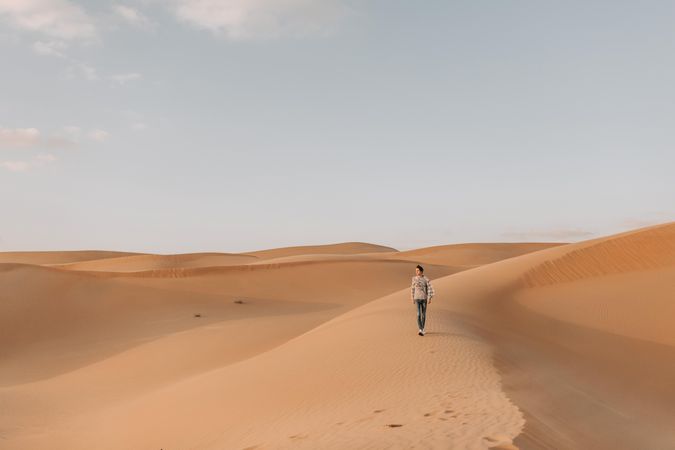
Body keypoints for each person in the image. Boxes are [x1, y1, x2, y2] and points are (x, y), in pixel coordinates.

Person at [411, 264, 434, 336]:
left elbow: (430, 289)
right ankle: (420, 329)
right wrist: (412, 297)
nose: (416, 272)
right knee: (418, 314)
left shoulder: (426, 279)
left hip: (424, 299)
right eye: (416, 270)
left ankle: (423, 329)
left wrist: (429, 298)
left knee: (423, 315)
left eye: (418, 270)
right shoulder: (414, 279)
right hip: (417, 298)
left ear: (421, 271)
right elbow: (412, 288)